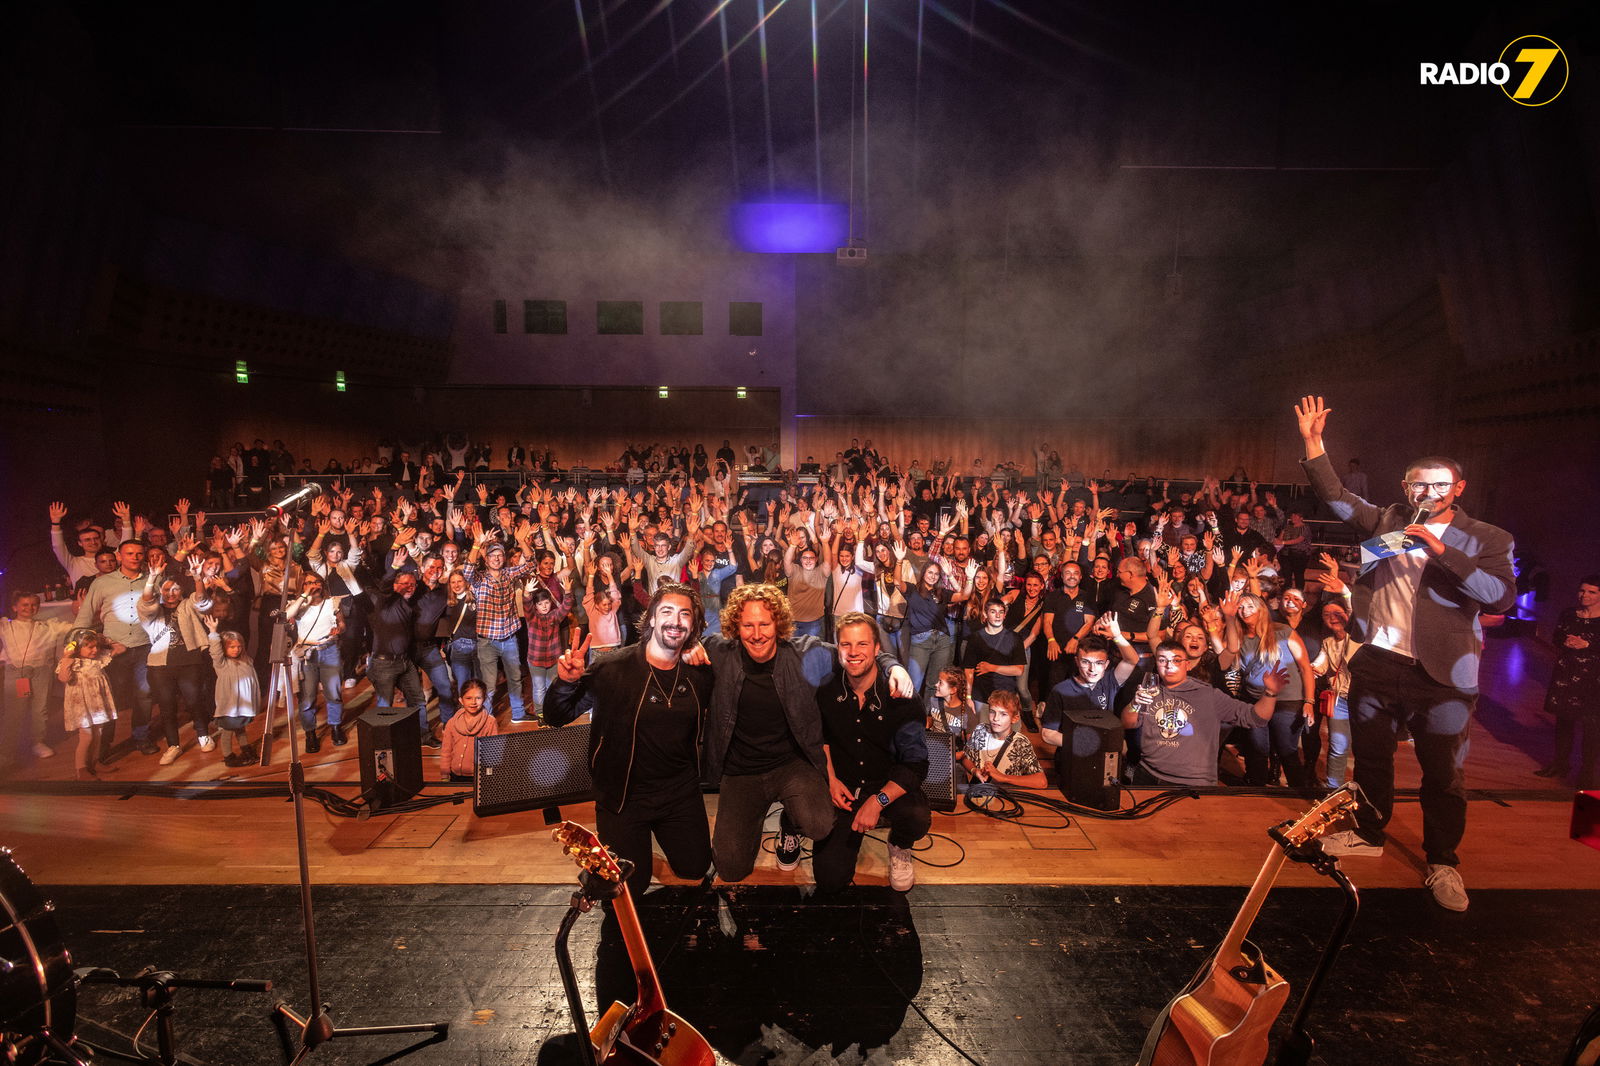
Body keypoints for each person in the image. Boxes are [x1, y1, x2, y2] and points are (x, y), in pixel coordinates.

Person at [1294, 395, 1515, 912]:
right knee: (1372, 761)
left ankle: (1442, 861)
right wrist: (1313, 442)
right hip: (1378, 662)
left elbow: (1500, 596)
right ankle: (1370, 834)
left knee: (1443, 774)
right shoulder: (1388, 521)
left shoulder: (1487, 538)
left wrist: (1444, 553)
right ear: (1405, 487)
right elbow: (1338, 498)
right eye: (1419, 483)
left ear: (1458, 489)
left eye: (1440, 484)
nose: (1428, 491)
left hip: (1444, 676)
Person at [697, 583, 910, 882]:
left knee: (820, 824)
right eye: (748, 625)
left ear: (779, 623)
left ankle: (790, 826)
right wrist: (690, 647)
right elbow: (680, 645)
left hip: (791, 764)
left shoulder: (805, 653)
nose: (757, 634)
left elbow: (853, 652)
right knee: (731, 869)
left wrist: (892, 665)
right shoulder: (717, 652)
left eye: (764, 624)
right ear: (736, 625)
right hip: (740, 771)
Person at [547, 583, 715, 898]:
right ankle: (610, 853)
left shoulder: (700, 673)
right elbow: (558, 716)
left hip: (678, 793)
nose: (675, 621)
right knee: (629, 886)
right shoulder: (613, 668)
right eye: (666, 612)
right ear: (651, 618)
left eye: (684, 615)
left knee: (695, 867)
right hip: (623, 797)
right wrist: (566, 682)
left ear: (693, 625)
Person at [813, 613, 931, 893]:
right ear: (837, 647)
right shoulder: (827, 689)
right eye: (846, 645)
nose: (854, 652)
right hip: (845, 789)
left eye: (862, 644)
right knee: (830, 879)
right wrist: (830, 778)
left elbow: (916, 764)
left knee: (916, 817)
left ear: (877, 649)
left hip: (886, 785)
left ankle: (900, 845)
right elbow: (821, 738)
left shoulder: (902, 697)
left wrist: (877, 802)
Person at [1125, 639, 1288, 787]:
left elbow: (1255, 718)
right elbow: (1128, 723)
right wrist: (1135, 704)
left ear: (1187, 665)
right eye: (1162, 660)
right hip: (1147, 775)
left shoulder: (1208, 695)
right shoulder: (1149, 691)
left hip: (1192, 783)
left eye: (1176, 660)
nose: (1169, 665)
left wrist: (1270, 693)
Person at [1040, 626, 1141, 801]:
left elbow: (1132, 659)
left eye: (1099, 663)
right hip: (1072, 761)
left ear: (1107, 664)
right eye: (1086, 662)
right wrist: (1084, 744)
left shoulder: (1109, 681)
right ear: (1077, 661)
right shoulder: (1061, 690)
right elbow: (1047, 734)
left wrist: (1117, 635)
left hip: (1104, 761)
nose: (1092, 669)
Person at [1537, 574, 1600, 789]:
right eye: (1583, 590)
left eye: (1592, 592)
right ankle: (1560, 764)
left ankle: (1587, 773)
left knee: (1592, 727)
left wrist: (1587, 646)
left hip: (1593, 680)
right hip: (1566, 674)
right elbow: (1555, 637)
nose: (1585, 595)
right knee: (1564, 721)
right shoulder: (1569, 614)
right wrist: (1566, 641)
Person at [1, 591, 73, 760]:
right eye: (25, 605)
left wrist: (81, 611)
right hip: (17, 673)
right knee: (14, 712)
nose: (29, 608)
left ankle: (37, 742)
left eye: (34, 604)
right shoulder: (6, 626)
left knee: (40, 708)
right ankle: (7, 749)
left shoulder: (47, 626)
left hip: (41, 671)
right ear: (15, 607)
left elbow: (72, 627)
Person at [953, 690, 1046, 789]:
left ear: (1015, 718)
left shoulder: (1020, 743)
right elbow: (966, 757)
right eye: (992, 712)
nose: (995, 718)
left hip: (1006, 796)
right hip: (979, 795)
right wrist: (974, 771)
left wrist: (1003, 777)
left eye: (1003, 714)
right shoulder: (980, 730)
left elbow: (1042, 781)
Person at [57, 629, 117, 780]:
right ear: (76, 647)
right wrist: (66, 659)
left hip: (97, 703)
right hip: (81, 705)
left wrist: (104, 641)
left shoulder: (98, 658)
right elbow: (63, 678)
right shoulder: (71, 662)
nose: (95, 650)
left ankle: (94, 762)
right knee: (87, 736)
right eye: (90, 647)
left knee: (98, 734)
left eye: (96, 646)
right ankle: (81, 768)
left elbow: (121, 648)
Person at [203, 618, 260, 767]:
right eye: (231, 647)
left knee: (241, 728)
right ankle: (228, 757)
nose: (236, 649)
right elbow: (215, 652)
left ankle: (245, 748)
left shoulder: (247, 661)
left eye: (238, 646)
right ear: (224, 648)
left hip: (242, 706)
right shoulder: (222, 664)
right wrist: (213, 632)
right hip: (229, 706)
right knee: (227, 732)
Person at [439, 680, 499, 783]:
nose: (473, 702)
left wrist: (490, 778)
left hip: (479, 777)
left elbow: (492, 754)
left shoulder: (490, 722)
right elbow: (446, 750)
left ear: (484, 699)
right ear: (461, 700)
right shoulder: (452, 723)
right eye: (468, 698)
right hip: (455, 776)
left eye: (478, 698)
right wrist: (445, 774)